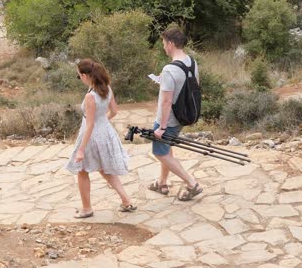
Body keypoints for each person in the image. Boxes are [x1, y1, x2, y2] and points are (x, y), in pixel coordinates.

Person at [65, 59, 136, 219]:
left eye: (79, 76)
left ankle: (86, 208)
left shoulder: (90, 96)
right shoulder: (106, 89)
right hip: (106, 132)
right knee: (105, 169)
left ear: (85, 75)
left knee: (82, 170)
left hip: (92, 136)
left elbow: (89, 125)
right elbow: (114, 111)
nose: (80, 79)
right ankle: (126, 201)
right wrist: (103, 122)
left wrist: (81, 150)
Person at [148, 25, 203, 201]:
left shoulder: (169, 69)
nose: (164, 46)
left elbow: (166, 101)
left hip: (169, 119)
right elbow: (194, 87)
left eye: (164, 43)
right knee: (167, 147)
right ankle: (162, 183)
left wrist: (161, 127)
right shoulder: (192, 62)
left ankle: (191, 184)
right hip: (184, 115)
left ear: (170, 43)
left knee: (160, 152)